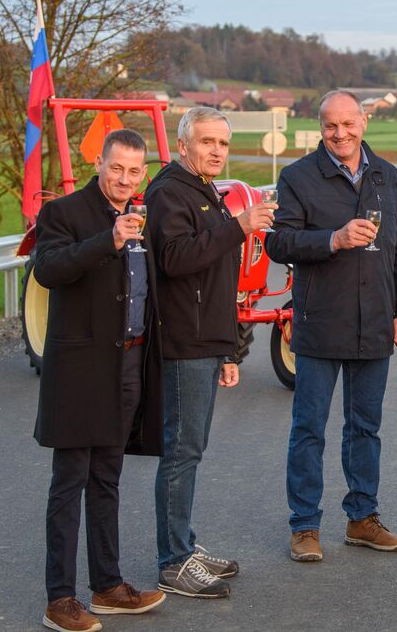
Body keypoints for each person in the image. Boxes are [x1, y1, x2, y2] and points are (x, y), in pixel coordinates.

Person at [265, 91, 397, 563]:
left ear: (364, 122)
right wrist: (333, 239)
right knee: (309, 429)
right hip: (320, 322)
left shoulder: (387, 176)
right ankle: (305, 526)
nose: (340, 133)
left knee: (366, 428)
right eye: (331, 125)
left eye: (348, 123)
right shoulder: (298, 177)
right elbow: (278, 243)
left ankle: (362, 518)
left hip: (375, 323)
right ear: (320, 127)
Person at [34, 129, 166, 631]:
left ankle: (107, 586)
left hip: (126, 365)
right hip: (78, 371)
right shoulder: (63, 213)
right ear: (98, 163)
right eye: (116, 168)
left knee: (107, 479)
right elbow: (49, 269)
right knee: (70, 481)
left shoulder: (142, 217)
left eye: (134, 171)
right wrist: (107, 240)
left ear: (143, 174)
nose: (124, 179)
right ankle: (60, 598)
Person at [146, 106, 275, 598]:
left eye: (222, 143)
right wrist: (239, 225)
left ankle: (184, 545)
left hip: (205, 341)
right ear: (183, 146)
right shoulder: (169, 192)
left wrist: (227, 351)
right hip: (183, 342)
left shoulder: (203, 189)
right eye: (207, 142)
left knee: (191, 449)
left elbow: (217, 281)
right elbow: (175, 259)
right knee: (181, 452)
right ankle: (174, 562)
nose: (217, 150)